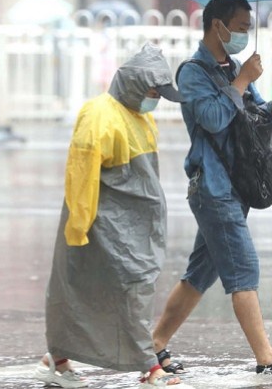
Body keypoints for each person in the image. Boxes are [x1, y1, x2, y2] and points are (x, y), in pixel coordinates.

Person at [151, 0, 272, 377]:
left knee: (200, 275)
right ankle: (266, 356)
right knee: (243, 267)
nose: (245, 32)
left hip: (235, 183)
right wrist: (241, 81)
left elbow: (250, 114)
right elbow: (211, 118)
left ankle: (154, 343)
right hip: (211, 186)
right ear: (217, 25)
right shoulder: (192, 71)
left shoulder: (234, 65)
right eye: (241, 26)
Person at [33, 43, 185, 388]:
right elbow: (81, 173)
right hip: (105, 226)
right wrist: (79, 225)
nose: (156, 98)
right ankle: (150, 368)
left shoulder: (138, 114)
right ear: (134, 83)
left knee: (94, 291)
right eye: (153, 90)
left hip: (134, 227)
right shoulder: (99, 114)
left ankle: (55, 357)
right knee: (127, 290)